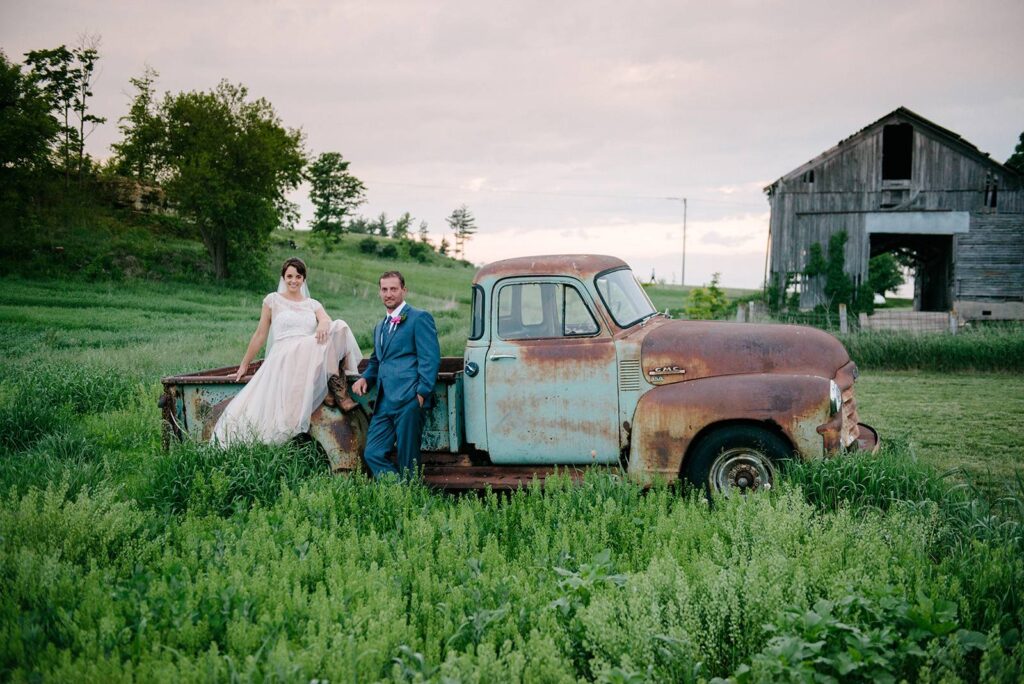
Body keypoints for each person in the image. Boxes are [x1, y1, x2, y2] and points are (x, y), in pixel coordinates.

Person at [212, 257, 362, 446]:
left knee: (339, 326)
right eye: (289, 276)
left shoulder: (312, 304)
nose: (293, 280)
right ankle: (331, 388)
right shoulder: (272, 300)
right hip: (284, 353)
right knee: (326, 336)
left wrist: (323, 324)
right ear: (283, 277)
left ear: (303, 279)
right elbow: (260, 334)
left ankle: (334, 387)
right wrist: (244, 365)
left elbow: (326, 319)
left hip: (307, 349)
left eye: (298, 276)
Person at [352, 270, 441, 479]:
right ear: (379, 292)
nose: (388, 294)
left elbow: (430, 358)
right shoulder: (379, 327)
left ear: (404, 290)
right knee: (372, 453)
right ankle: (398, 489)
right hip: (384, 402)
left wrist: (420, 394)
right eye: (384, 289)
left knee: (407, 458)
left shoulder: (419, 318)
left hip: (409, 399)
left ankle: (410, 499)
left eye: (393, 289)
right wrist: (366, 377)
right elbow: (377, 360)